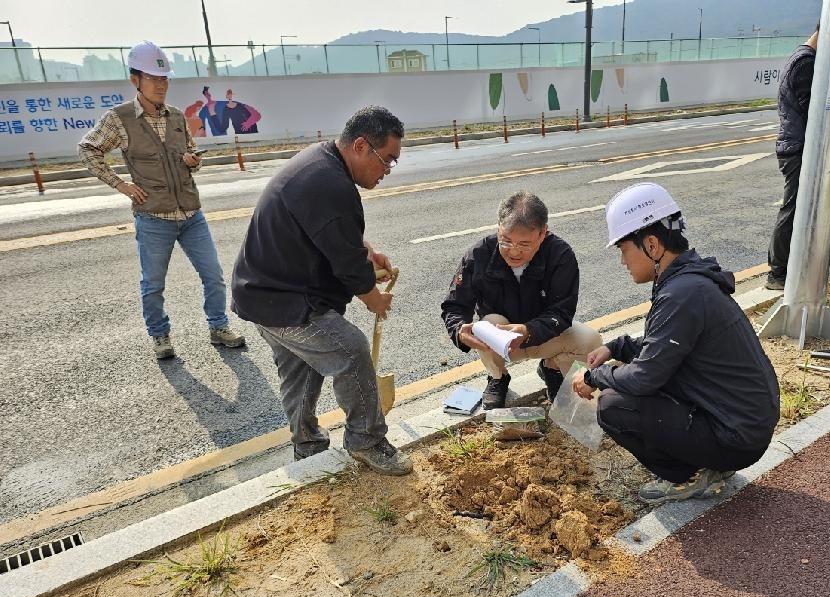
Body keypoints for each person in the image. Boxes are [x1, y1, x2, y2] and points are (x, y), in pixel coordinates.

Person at [230, 105, 412, 476]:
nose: (387, 172)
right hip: (284, 299)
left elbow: (331, 231)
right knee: (351, 350)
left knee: (301, 369)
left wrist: (366, 250)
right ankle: (367, 440)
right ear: (361, 146)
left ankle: (308, 448)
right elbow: (349, 267)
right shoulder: (331, 184)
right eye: (387, 160)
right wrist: (373, 298)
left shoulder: (321, 163)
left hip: (261, 292)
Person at [572, 182, 780, 505]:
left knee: (612, 406)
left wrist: (592, 378)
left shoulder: (681, 295)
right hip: (743, 424)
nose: (622, 262)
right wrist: (615, 347)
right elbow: (662, 346)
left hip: (737, 436)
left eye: (624, 250)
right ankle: (710, 462)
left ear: (652, 244)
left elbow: (643, 377)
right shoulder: (688, 283)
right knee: (644, 385)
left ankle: (692, 475)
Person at [78, 41, 245, 360]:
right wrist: (121, 184)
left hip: (192, 214)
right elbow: (88, 149)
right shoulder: (120, 118)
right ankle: (159, 335)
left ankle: (219, 326)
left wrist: (193, 161)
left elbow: (192, 155)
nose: (160, 84)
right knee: (153, 284)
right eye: (153, 77)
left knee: (213, 275)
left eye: (164, 78)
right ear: (135, 80)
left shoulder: (178, 117)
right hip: (153, 218)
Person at [441, 191, 602, 409]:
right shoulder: (479, 254)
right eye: (506, 241)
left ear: (543, 232)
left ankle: (552, 368)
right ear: (498, 227)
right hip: (499, 343)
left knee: (590, 341)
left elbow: (562, 312)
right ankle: (497, 377)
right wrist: (459, 330)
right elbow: (454, 305)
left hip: (545, 336)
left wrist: (529, 330)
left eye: (524, 244)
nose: (514, 252)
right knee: (486, 323)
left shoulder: (560, 254)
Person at [767, 23, 820, 291]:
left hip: (794, 144)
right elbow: (811, 110)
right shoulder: (805, 63)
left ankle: (784, 268)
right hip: (797, 147)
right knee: (793, 207)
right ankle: (778, 272)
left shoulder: (800, 57)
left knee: (796, 206)